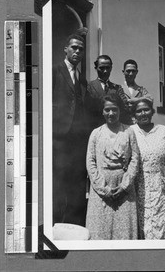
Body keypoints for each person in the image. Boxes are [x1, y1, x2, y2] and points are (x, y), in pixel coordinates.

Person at [85, 93, 139, 240]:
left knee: (123, 234)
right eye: (107, 109)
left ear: (120, 110)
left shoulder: (129, 132)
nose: (111, 113)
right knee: (100, 232)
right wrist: (104, 189)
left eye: (114, 109)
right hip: (101, 191)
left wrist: (124, 186)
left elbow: (135, 159)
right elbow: (90, 162)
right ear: (102, 111)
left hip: (124, 190)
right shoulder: (96, 134)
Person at [52, 33, 89, 226]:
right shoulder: (54, 71)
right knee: (58, 181)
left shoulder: (82, 79)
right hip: (58, 138)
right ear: (65, 49)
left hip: (77, 141)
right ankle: (55, 224)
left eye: (80, 49)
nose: (77, 51)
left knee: (76, 183)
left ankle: (73, 224)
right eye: (74, 47)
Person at [131, 96, 165, 239]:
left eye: (146, 110)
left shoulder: (163, 131)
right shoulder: (130, 132)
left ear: (152, 112)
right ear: (134, 115)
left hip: (162, 185)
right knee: (145, 225)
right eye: (139, 111)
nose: (143, 113)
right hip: (140, 186)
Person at [87, 55, 126, 129]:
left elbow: (123, 106)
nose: (105, 71)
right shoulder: (88, 87)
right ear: (96, 68)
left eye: (107, 68)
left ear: (111, 68)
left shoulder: (117, 88)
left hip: (115, 128)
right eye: (102, 68)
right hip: (95, 127)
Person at [118, 59, 149, 124]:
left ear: (136, 72)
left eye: (133, 71)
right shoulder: (118, 89)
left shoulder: (141, 89)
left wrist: (134, 100)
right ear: (123, 72)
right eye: (128, 71)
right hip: (123, 125)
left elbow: (150, 99)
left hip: (139, 125)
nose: (131, 74)